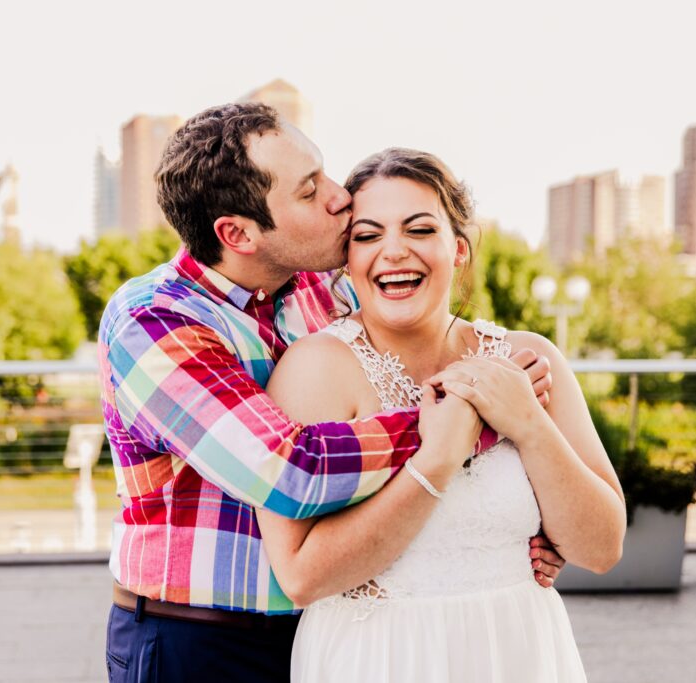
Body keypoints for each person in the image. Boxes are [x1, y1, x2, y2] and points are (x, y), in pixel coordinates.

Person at [98, 102, 564, 682]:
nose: (340, 197)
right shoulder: (154, 324)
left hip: (330, 627)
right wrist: (479, 411)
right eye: (308, 190)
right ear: (237, 233)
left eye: (324, 172)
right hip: (201, 640)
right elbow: (294, 470)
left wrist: (516, 518)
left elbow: (415, 346)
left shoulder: (320, 287)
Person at [256, 148, 627, 682]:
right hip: (383, 659)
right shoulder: (316, 370)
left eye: (419, 229)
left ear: (457, 248)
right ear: (348, 259)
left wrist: (529, 424)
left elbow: (602, 547)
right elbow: (301, 577)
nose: (394, 251)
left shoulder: (530, 358)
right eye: (367, 236)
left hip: (518, 652)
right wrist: (437, 461)